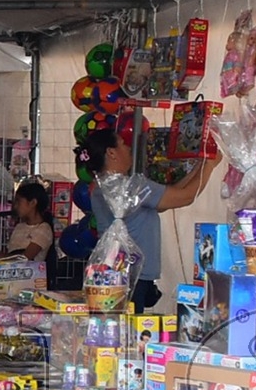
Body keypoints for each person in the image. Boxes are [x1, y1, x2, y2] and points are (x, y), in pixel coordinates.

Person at [76, 127, 220, 311]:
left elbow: (169, 197)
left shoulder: (101, 188)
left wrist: (200, 166)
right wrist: (210, 166)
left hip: (113, 271)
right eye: (123, 144)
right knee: (129, 323)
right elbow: (185, 197)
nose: (128, 148)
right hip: (133, 273)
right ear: (111, 153)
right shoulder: (132, 187)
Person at [5, 181, 56, 262]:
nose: (15, 206)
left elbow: (24, 258)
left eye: (18, 201)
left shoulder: (44, 229)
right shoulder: (19, 227)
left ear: (33, 203)